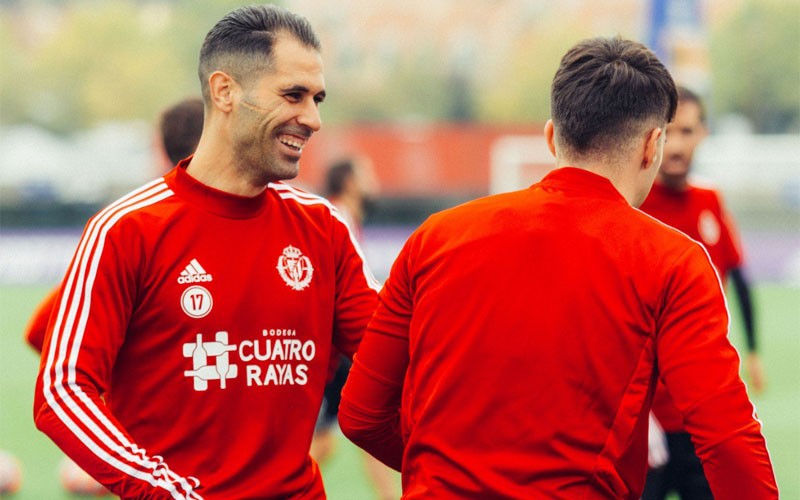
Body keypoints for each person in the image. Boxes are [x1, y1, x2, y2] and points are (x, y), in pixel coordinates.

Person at [338, 36, 778, 499]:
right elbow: (726, 440)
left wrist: (444, 471)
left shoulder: (435, 237)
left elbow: (362, 413)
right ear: (652, 146)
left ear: (552, 137)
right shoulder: (672, 260)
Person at [33, 5, 379, 500]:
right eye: (293, 95)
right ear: (224, 91)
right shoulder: (127, 228)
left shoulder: (323, 229)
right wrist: (165, 490)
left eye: (318, 98)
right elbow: (62, 390)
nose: (313, 119)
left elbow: (392, 368)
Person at [24, 96, 205, 497]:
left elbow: (43, 330)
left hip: (154, 460)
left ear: (161, 150)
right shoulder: (134, 227)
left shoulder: (136, 226)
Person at [639, 86, 766, 499]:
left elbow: (740, 276)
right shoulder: (632, 206)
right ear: (652, 136)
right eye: (669, 132)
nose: (676, 145)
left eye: (687, 131)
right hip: (644, 422)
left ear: (702, 134)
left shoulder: (710, 201)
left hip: (702, 419)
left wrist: (754, 351)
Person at [310, 157, 398, 500]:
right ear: (349, 182)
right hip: (334, 350)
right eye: (367, 175)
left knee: (358, 431)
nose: (374, 182)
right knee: (369, 423)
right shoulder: (336, 218)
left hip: (337, 350)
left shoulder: (346, 219)